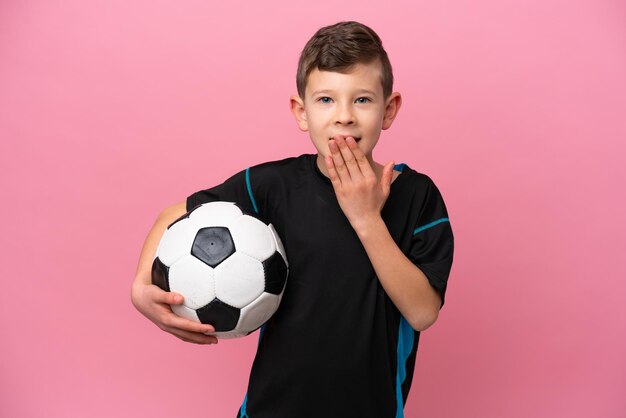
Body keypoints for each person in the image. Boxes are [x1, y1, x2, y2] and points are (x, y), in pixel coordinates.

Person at [131, 20, 454, 418]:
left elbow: (423, 312)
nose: (344, 117)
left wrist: (366, 219)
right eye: (325, 100)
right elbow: (172, 215)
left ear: (389, 110)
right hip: (272, 407)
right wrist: (139, 289)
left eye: (363, 100)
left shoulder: (417, 195)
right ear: (301, 112)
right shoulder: (271, 186)